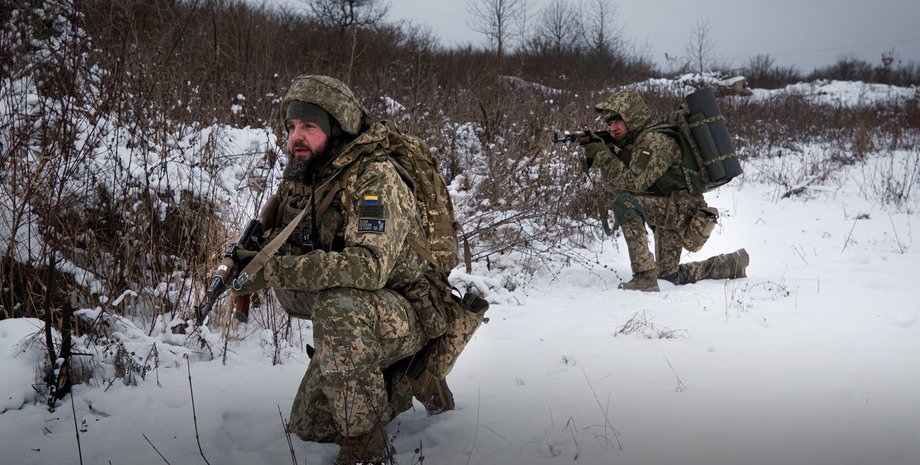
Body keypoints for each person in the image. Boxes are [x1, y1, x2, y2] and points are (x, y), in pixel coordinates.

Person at [230, 75, 457, 464]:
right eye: (290, 127)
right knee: (310, 429)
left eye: (309, 127)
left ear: (337, 129)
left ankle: (368, 441)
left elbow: (369, 268)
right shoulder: (311, 172)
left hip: (407, 306)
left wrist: (276, 271)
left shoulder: (375, 179)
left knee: (338, 307)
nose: (295, 138)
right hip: (363, 311)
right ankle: (404, 377)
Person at [578, 89, 749, 292]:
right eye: (609, 124)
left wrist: (603, 155)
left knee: (625, 201)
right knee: (670, 276)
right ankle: (730, 264)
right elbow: (618, 182)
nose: (612, 127)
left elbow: (632, 183)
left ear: (632, 117)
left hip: (680, 210)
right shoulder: (638, 142)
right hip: (669, 208)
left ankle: (644, 277)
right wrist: (606, 153)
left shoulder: (655, 141)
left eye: (617, 121)